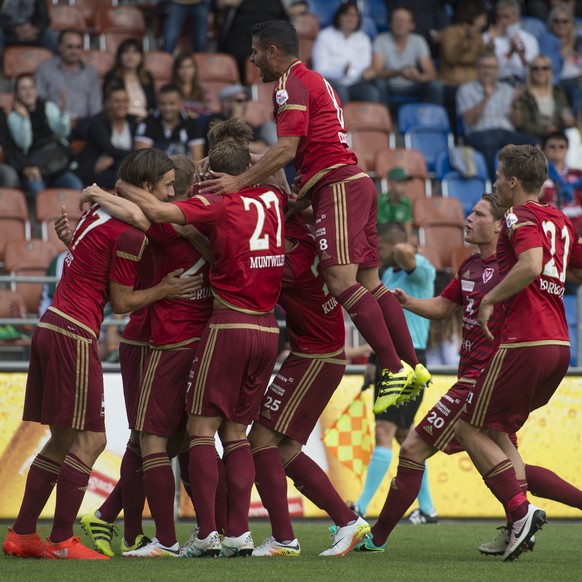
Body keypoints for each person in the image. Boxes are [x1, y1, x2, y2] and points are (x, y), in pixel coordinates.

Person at [200, 19, 431, 413]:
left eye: (255, 51)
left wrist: (237, 183)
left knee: (340, 279)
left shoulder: (288, 85)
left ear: (273, 50)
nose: (252, 59)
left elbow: (286, 151)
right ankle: (414, 366)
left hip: (336, 186)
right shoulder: (314, 80)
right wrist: (251, 165)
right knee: (369, 281)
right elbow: (294, 152)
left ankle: (391, 368)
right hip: (351, 183)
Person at [356, 192, 582, 554]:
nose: (467, 219)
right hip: (479, 378)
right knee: (515, 470)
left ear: (498, 225)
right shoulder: (469, 267)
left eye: (477, 214)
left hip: (487, 377)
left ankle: (377, 538)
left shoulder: (516, 268)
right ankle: (521, 520)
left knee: (412, 449)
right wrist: (408, 302)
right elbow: (445, 306)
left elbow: (545, 272)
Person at [1, 150, 200, 561]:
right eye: (165, 185)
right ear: (146, 186)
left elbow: (96, 257)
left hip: (52, 325)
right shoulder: (130, 231)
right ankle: (60, 541)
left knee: (61, 441)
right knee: (93, 440)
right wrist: (165, 290)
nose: (168, 193)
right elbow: (124, 302)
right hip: (73, 333)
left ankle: (22, 534)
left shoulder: (97, 215)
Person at [121, 140, 285, 558]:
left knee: (195, 432)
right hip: (269, 329)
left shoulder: (217, 207)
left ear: (217, 178)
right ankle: (239, 533)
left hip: (227, 325)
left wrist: (115, 187)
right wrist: (253, 163)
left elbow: (158, 212)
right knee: (236, 434)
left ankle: (206, 532)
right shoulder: (273, 198)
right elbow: (277, 169)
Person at [77, 153, 213, 558]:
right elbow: (129, 203)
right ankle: (138, 531)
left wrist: (98, 191)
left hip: (171, 339)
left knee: (165, 441)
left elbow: (131, 198)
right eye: (164, 185)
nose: (169, 192)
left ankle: (113, 516)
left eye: (174, 186)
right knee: (152, 440)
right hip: (149, 338)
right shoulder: (178, 222)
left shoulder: (178, 221)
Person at [455, 145, 582, 562]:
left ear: (512, 181)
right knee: (498, 433)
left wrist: (490, 299)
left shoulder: (517, 216)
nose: (494, 183)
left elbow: (529, 263)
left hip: (523, 341)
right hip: (560, 346)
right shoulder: (560, 219)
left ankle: (520, 510)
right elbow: (574, 268)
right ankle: (517, 527)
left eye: (497, 176)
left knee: (469, 428)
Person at [249, 217, 369, 557]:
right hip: (319, 353)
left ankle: (284, 539)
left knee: (259, 442)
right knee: (283, 450)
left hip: (316, 356)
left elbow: (245, 274)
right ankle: (347, 521)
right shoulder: (304, 236)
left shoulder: (288, 268)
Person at [353, 222, 436, 522]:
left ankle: (360, 505)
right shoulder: (386, 276)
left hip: (410, 359)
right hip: (389, 358)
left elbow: (402, 250)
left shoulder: (422, 270)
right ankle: (427, 509)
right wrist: (373, 364)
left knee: (384, 431)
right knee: (404, 435)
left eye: (381, 248)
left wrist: (406, 245)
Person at [456, 50, 538, 181]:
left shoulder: (507, 89)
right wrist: (485, 97)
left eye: (491, 67)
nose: (487, 71)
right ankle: (495, 186)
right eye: (484, 67)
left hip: (505, 132)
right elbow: (469, 120)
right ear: (477, 69)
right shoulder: (465, 90)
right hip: (480, 133)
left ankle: (532, 185)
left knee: (533, 144)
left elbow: (517, 123)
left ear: (498, 70)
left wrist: (516, 102)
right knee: (489, 144)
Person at [5, 73, 83, 198]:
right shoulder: (13, 116)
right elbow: (24, 143)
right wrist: (25, 118)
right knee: (40, 192)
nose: (28, 92)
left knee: (76, 186)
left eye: (31, 87)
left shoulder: (48, 107)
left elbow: (63, 133)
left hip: (55, 163)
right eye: (23, 88)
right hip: (33, 167)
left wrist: (63, 112)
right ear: (17, 93)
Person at [362, 7, 444, 106]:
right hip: (389, 85)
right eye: (396, 20)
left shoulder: (419, 41)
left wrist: (419, 77)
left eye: (404, 21)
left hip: (413, 85)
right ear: (390, 24)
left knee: (435, 86)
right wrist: (399, 72)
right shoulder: (381, 40)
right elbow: (375, 71)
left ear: (412, 25)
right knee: (380, 83)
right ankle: (382, 119)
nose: (400, 24)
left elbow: (431, 73)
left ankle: (431, 120)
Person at [35, 29, 102, 139]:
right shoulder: (45, 68)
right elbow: (40, 100)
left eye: (78, 47)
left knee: (100, 131)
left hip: (84, 124)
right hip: (55, 123)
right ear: (59, 47)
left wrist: (83, 123)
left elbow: (96, 107)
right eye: (70, 47)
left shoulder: (90, 72)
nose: (74, 51)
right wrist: (61, 118)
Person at [311, 1, 381, 105]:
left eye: (355, 15)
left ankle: (369, 121)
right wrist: (341, 71)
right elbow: (319, 70)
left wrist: (364, 73)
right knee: (341, 92)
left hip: (355, 83)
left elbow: (364, 67)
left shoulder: (363, 38)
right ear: (339, 16)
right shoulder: (324, 36)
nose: (351, 18)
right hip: (331, 83)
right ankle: (342, 121)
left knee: (371, 93)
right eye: (347, 14)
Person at [76, 84, 139, 189]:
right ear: (108, 103)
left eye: (124, 101)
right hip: (96, 172)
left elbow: (115, 153)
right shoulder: (98, 122)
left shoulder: (133, 122)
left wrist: (114, 158)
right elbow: (110, 149)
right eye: (116, 101)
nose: (121, 105)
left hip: (119, 169)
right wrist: (134, 154)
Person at [215, 0, 289, 85]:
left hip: (268, 42)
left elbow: (286, 23)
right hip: (239, 42)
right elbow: (218, 4)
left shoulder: (277, 4)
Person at [135, 84, 205, 162]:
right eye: (163, 103)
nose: (167, 108)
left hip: (184, 171)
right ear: (157, 103)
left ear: (181, 102)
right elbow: (142, 158)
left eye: (172, 103)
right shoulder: (148, 122)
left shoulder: (192, 123)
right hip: (155, 171)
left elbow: (197, 158)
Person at [511, 55, 575, 141]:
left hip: (556, 132)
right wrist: (545, 129)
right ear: (531, 72)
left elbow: (565, 112)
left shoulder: (558, 92)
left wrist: (568, 121)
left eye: (544, 68)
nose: (540, 72)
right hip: (534, 135)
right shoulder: (525, 94)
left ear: (550, 71)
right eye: (535, 68)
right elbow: (523, 124)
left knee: (572, 134)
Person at [206, 84, 277, 155]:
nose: (244, 104)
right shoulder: (212, 120)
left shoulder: (247, 123)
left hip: (244, 160)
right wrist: (236, 116)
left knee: (268, 126)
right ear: (225, 102)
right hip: (223, 160)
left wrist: (245, 145)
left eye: (246, 100)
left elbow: (262, 146)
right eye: (239, 101)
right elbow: (227, 145)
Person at [482, 0, 539, 86]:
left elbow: (533, 72)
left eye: (506, 17)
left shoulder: (530, 39)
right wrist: (510, 53)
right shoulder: (486, 38)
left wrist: (522, 57)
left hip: (523, 83)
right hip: (497, 84)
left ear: (517, 18)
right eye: (498, 17)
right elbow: (488, 71)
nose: (502, 21)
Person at [103, 38, 156, 121]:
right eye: (126, 52)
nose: (130, 56)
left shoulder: (147, 77)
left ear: (141, 57)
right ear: (119, 56)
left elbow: (152, 104)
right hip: (122, 120)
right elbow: (107, 104)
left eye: (135, 52)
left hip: (146, 121)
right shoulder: (112, 76)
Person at [539, 131, 582, 234]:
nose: (557, 149)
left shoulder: (578, 175)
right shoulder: (539, 176)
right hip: (551, 230)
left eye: (561, 146)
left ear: (567, 150)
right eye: (552, 146)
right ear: (543, 150)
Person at [171, 52, 213, 120]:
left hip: (201, 122)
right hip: (182, 123)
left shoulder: (202, 88)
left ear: (194, 69)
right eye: (181, 67)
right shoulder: (172, 90)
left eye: (189, 66)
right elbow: (170, 111)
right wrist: (188, 114)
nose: (186, 71)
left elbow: (208, 111)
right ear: (176, 70)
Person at [376, 167, 414, 238]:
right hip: (382, 238)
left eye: (405, 183)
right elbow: (384, 228)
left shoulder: (406, 202)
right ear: (390, 184)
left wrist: (408, 243)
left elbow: (407, 225)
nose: (403, 187)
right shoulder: (380, 200)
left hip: (400, 239)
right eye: (400, 182)